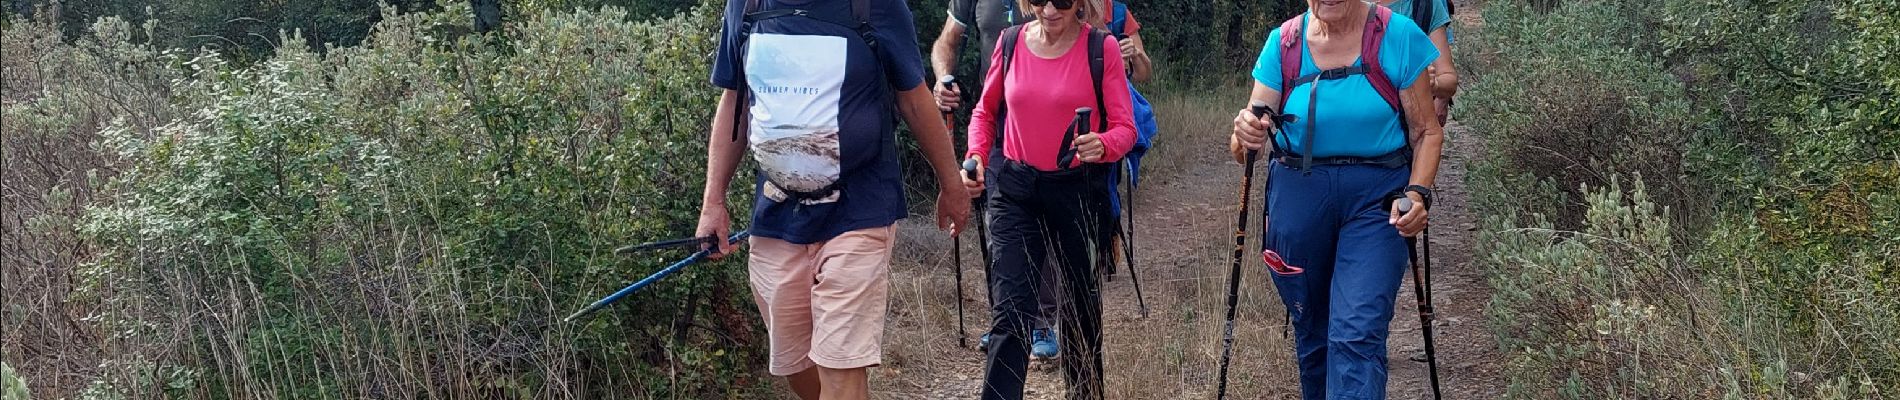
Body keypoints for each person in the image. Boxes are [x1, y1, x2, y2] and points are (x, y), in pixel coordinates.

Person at [697, 0, 971, 397]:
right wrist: (713, 202)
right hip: (777, 215)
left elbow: (913, 98)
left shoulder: (876, 6)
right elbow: (734, 106)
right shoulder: (746, 5)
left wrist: (952, 183)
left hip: (859, 208)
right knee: (796, 362)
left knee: (840, 365)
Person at [1229, 0, 1443, 398]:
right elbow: (1245, 144)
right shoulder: (1283, 43)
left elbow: (1426, 131)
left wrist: (1417, 193)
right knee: (1312, 330)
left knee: (1356, 333)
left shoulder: (1397, 36)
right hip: (1298, 198)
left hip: (1377, 199)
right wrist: (1245, 133)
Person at [961, 0, 1137, 397]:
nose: (1050, 10)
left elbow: (1125, 128)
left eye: (1062, 1)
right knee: (1010, 312)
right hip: (1015, 190)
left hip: (1076, 190)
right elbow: (984, 113)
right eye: (1039, 1)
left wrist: (1103, 144)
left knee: (1080, 310)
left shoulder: (1101, 47)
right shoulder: (1009, 43)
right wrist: (974, 156)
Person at [930, 0, 1064, 360]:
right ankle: (1007, 317)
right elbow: (948, 41)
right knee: (998, 219)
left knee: (1042, 217)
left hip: (1044, 112)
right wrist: (943, 78)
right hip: (994, 118)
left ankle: (1041, 320)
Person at [1378, 0, 1459, 124]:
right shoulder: (1344, 7)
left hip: (1410, 126)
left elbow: (1447, 75)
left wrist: (1436, 89)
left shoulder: (1426, 4)